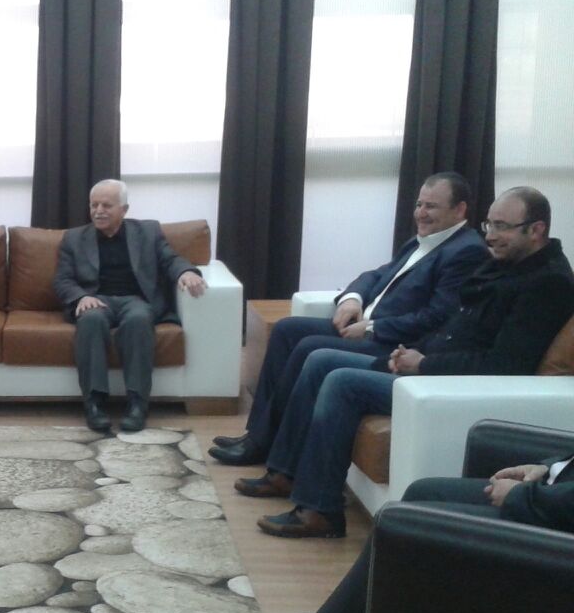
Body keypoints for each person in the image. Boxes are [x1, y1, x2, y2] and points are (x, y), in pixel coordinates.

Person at [237, 186, 574, 539]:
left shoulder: (548, 283)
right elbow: (454, 326)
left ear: (536, 230)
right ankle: (286, 473)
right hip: (428, 364)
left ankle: (319, 509)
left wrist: (423, 364)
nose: (490, 235)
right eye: (489, 224)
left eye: (502, 227)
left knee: (341, 381)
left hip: (448, 385)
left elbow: (503, 365)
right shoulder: (504, 262)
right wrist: (408, 353)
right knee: (320, 360)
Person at [210, 172, 487, 466]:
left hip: (395, 343)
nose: (420, 213)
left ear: (460, 210)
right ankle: (257, 436)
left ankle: (268, 449)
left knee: (309, 347)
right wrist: (352, 299)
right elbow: (375, 275)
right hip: (365, 327)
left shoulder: (466, 251)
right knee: (287, 330)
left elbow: (438, 317)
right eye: (419, 204)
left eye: (431, 206)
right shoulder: (425, 240)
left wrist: (372, 327)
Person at [259, 452, 574, 613]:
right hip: (554, 494)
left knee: (403, 522)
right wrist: (547, 466)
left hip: (555, 523)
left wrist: (520, 496)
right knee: (422, 492)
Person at [53, 179, 207, 433]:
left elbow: (170, 259)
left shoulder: (148, 231)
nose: (98, 211)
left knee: (138, 319)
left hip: (135, 300)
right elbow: (62, 279)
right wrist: (80, 297)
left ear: (124, 209)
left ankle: (137, 403)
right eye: (94, 205)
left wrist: (186, 272)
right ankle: (94, 403)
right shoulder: (74, 238)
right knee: (90, 319)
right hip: (96, 299)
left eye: (106, 205)